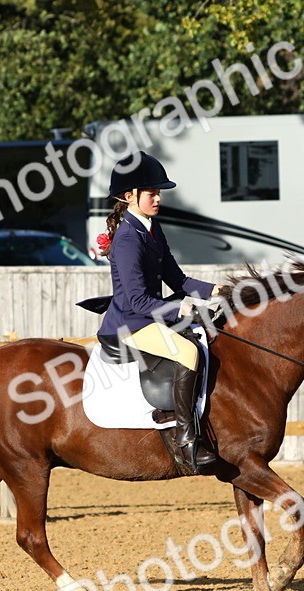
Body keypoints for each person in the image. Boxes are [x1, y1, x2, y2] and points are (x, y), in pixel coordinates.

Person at [96, 151, 227, 472]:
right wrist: (178, 307)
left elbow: (178, 279)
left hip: (148, 317)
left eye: (159, 193)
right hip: (129, 325)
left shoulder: (151, 229)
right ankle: (187, 440)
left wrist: (216, 291)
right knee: (188, 352)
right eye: (151, 193)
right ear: (130, 196)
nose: (158, 198)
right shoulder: (128, 238)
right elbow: (136, 301)